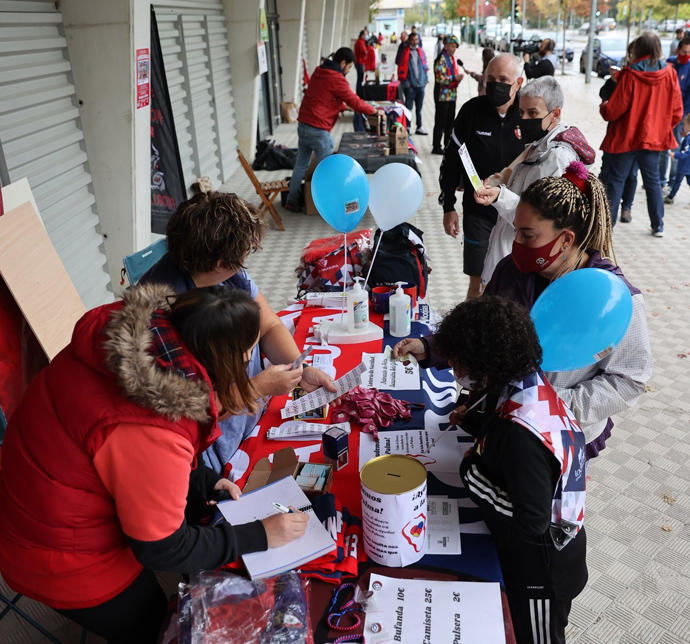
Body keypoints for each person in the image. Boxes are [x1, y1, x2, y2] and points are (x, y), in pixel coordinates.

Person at [0, 284, 309, 641]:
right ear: (226, 361)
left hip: (35, 504)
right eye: (248, 354)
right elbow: (162, 547)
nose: (249, 362)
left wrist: (202, 479)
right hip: (57, 554)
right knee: (161, 625)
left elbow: (124, 465)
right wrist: (259, 534)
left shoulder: (140, 344)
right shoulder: (153, 424)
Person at [393, 296, 588, 644]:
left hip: (542, 571)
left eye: (459, 364)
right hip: (533, 547)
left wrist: (471, 471)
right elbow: (497, 419)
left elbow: (533, 519)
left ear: (486, 362)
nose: (454, 373)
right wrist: (478, 420)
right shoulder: (522, 380)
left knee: (537, 637)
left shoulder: (521, 435)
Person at [141, 190, 336, 473]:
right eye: (247, 253)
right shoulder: (161, 321)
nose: (246, 263)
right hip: (211, 449)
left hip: (246, 418)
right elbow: (191, 414)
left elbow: (268, 324)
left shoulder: (223, 271)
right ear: (222, 263)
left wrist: (301, 368)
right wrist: (259, 387)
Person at [485, 164, 653, 459]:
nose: (516, 244)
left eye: (528, 235)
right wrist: (435, 349)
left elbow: (629, 379)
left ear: (565, 239)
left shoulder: (616, 300)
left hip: (562, 437)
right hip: (503, 421)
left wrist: (552, 403)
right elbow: (481, 330)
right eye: (516, 232)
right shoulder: (510, 272)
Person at [474, 76, 596, 288]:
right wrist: (495, 183)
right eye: (521, 112)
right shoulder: (538, 146)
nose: (524, 119)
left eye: (533, 113)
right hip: (509, 259)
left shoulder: (558, 158)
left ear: (555, 114)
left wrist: (500, 196)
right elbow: (514, 177)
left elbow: (542, 221)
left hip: (526, 268)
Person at [439, 53, 524, 299]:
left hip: (518, 213)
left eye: (503, 79)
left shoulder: (526, 115)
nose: (495, 85)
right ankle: (473, 334)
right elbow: (451, 161)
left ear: (518, 83)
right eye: (491, 79)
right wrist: (448, 206)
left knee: (514, 283)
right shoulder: (471, 111)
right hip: (478, 212)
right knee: (478, 281)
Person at [599, 31, 683, 235]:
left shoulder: (630, 75)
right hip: (653, 139)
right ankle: (658, 225)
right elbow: (677, 110)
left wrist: (604, 107)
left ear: (639, 49)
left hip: (626, 138)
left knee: (616, 181)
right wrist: (660, 126)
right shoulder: (669, 73)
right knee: (653, 181)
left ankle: (607, 228)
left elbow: (615, 110)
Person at [284, 47, 379, 211]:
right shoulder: (337, 78)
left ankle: (291, 200)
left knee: (301, 165)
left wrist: (340, 107)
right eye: (349, 67)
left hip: (303, 125)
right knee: (326, 170)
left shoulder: (320, 71)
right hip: (319, 130)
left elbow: (321, 96)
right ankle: (326, 206)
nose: (348, 71)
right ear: (343, 63)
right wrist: (373, 110)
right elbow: (354, 101)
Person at [599, 41, 638, 223]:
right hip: (616, 135)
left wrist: (606, 109)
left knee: (629, 175)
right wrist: (614, 81)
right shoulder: (623, 75)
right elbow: (604, 94)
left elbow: (611, 109)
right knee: (609, 173)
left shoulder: (641, 77)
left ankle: (626, 208)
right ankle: (603, 212)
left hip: (635, 137)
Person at [660, 36, 690, 193]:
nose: (686, 55)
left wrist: (683, 116)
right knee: (661, 147)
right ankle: (660, 181)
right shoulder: (670, 62)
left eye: (689, 52)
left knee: (675, 147)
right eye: (684, 52)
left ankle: (672, 181)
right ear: (678, 50)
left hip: (679, 116)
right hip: (663, 113)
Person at [432, 34, 464, 154]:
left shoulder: (452, 58)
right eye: (452, 46)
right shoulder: (441, 59)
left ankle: (447, 144)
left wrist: (457, 79)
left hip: (451, 94)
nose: (454, 48)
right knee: (440, 121)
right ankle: (436, 146)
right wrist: (453, 78)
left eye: (455, 46)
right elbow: (439, 78)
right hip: (442, 95)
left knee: (450, 121)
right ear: (445, 46)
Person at [396, 31, 429, 135]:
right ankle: (408, 127)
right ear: (409, 41)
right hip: (410, 86)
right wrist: (406, 83)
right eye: (413, 40)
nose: (415, 42)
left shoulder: (421, 51)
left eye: (416, 39)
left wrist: (425, 81)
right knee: (408, 108)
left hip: (421, 85)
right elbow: (400, 68)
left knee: (419, 109)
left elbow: (425, 67)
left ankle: (419, 127)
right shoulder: (405, 52)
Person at [665, 113, 690, 204]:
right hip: (687, 166)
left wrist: (675, 155)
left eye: (685, 125)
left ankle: (670, 197)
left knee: (677, 182)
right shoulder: (687, 137)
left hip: (684, 165)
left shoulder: (688, 138)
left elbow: (687, 153)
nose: (683, 127)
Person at [354, 30, 367, 96]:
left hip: (360, 62)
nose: (366, 36)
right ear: (362, 35)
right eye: (365, 35)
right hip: (359, 62)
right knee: (360, 78)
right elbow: (364, 51)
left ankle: (359, 92)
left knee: (360, 78)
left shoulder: (361, 41)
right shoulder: (360, 42)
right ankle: (359, 93)